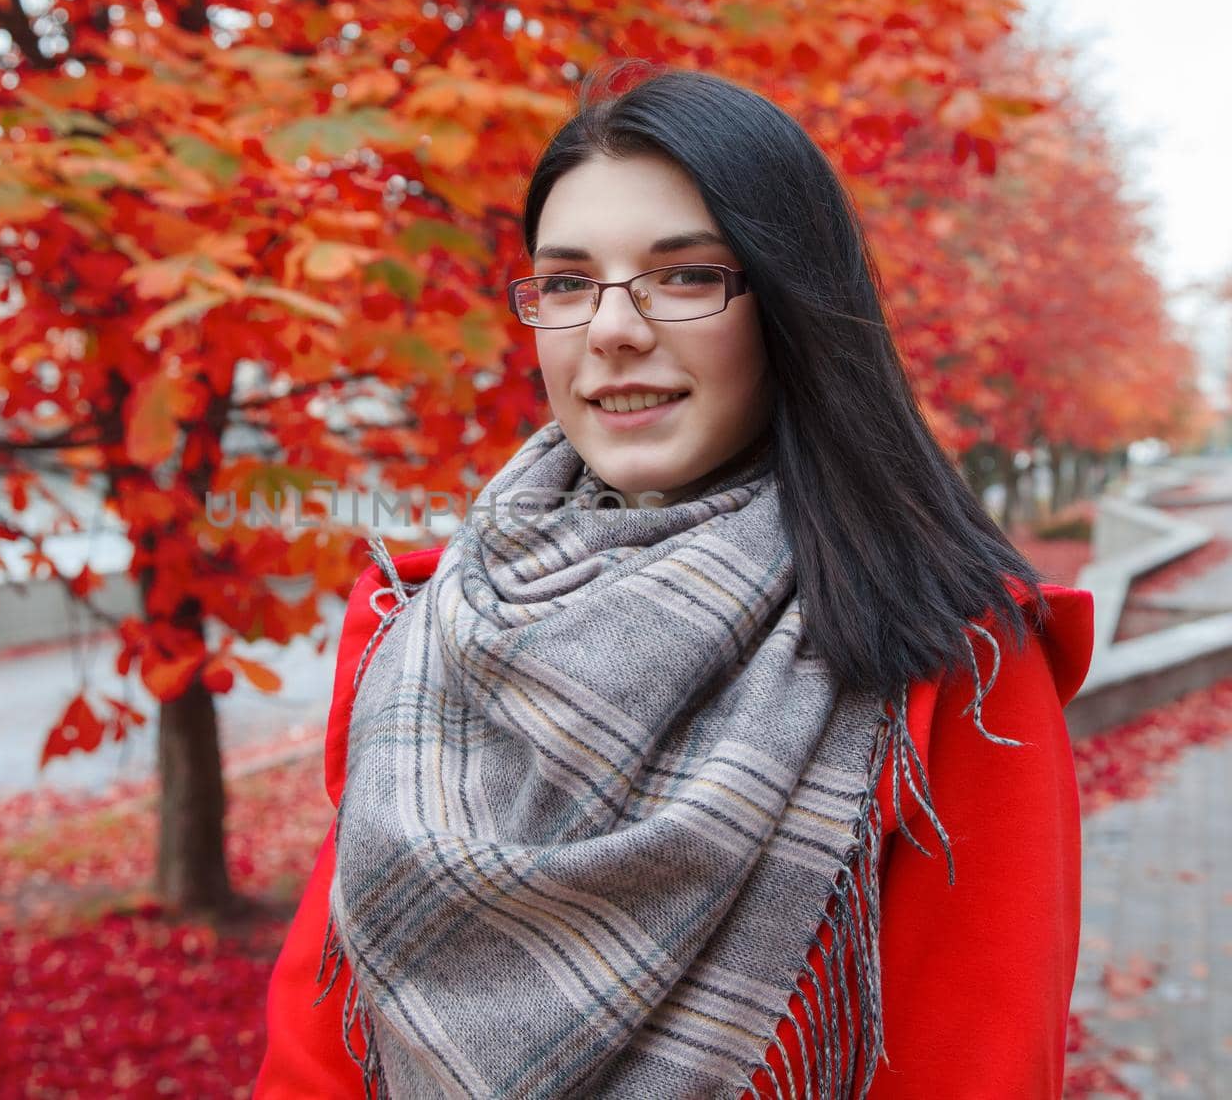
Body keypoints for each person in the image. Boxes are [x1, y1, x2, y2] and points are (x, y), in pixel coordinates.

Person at [254, 63, 1094, 1099]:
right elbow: (317, 1057)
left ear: (790, 306)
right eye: (566, 283)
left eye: (685, 274)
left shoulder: (943, 658)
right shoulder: (419, 629)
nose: (609, 328)